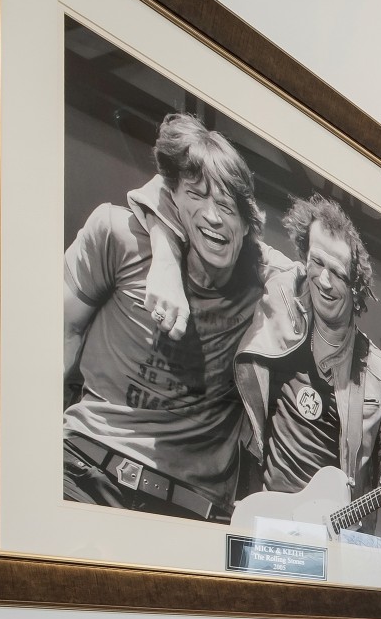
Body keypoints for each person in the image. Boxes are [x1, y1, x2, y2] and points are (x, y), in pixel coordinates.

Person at [62, 113, 293, 521]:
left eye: (226, 204)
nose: (214, 216)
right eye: (197, 196)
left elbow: (323, 286)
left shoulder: (266, 283)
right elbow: (59, 330)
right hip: (83, 468)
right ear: (173, 197)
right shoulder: (115, 236)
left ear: (247, 221)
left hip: (187, 511)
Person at [233, 194, 381, 524]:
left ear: (356, 286)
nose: (325, 281)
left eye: (339, 273)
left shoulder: (379, 373)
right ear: (304, 258)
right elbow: (226, 237)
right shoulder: (279, 309)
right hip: (265, 523)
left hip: (333, 539)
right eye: (318, 263)